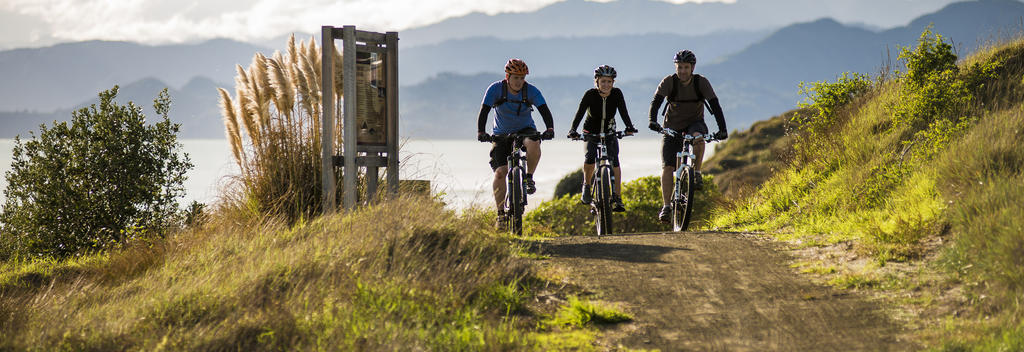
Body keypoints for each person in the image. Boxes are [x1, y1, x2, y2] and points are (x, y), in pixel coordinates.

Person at [648, 50, 728, 222]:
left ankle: (697, 172)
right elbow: (656, 103)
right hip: (671, 126)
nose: (682, 71)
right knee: (668, 167)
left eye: (686, 67)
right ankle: (667, 206)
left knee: (699, 137)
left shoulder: (701, 82)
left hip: (695, 123)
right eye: (679, 67)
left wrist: (723, 129)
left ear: (692, 68)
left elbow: (715, 106)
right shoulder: (669, 82)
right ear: (675, 67)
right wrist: (652, 121)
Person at [477, 58, 556, 227]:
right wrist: (481, 132)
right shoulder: (495, 89)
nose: (519, 82)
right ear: (507, 76)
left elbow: (544, 110)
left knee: (534, 142)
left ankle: (528, 177)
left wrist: (550, 129)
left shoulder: (531, 91)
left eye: (522, 78)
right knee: (500, 172)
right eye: (516, 78)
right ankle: (500, 215)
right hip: (501, 134)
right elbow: (484, 111)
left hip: (525, 129)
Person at [567, 65, 638, 212]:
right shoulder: (590, 95)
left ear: (613, 83)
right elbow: (580, 113)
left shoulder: (617, 94)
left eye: (609, 82)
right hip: (591, 131)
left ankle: (617, 197)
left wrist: (629, 126)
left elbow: (623, 111)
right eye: (603, 81)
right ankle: (586, 186)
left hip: (609, 131)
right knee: (590, 156)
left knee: (615, 161)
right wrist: (573, 130)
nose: (606, 85)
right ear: (597, 82)